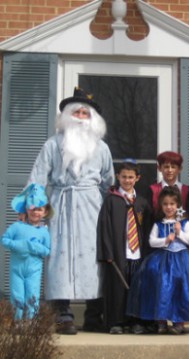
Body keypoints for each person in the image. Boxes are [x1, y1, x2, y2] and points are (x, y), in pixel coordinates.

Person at [27, 87, 115, 334]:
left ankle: (94, 315)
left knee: (94, 259)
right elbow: (37, 179)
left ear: (93, 119)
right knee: (59, 258)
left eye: (85, 113)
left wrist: (112, 214)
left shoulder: (102, 148)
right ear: (66, 115)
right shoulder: (53, 145)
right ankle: (62, 315)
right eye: (75, 112)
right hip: (60, 204)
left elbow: (109, 181)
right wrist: (33, 209)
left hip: (91, 208)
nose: (80, 117)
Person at [127, 186, 189, 334]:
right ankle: (162, 321)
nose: (169, 207)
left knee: (180, 289)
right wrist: (165, 240)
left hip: (182, 260)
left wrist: (179, 233)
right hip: (163, 259)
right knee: (163, 288)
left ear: (178, 206)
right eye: (165, 204)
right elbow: (152, 241)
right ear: (161, 205)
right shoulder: (158, 224)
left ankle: (178, 322)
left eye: (172, 204)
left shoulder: (184, 223)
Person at [97, 159, 153, 334]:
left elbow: (148, 228)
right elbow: (104, 228)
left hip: (137, 253)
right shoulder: (111, 201)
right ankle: (116, 322)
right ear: (117, 177)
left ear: (137, 178)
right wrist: (107, 252)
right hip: (118, 254)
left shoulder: (142, 203)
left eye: (131, 177)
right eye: (124, 177)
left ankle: (136, 321)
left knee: (137, 287)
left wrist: (148, 254)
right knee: (117, 289)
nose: (127, 180)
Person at [1, 183, 52, 320]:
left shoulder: (44, 232)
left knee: (32, 295)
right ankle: (17, 323)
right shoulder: (16, 227)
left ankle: (31, 326)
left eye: (39, 209)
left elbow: (47, 251)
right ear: (26, 209)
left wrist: (33, 247)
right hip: (17, 269)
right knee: (17, 295)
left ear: (45, 212)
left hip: (34, 270)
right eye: (32, 209)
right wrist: (20, 245)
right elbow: (4, 240)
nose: (35, 212)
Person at [148, 151, 189, 253]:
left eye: (173, 167)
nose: (170, 170)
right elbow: (148, 220)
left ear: (179, 169)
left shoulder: (186, 191)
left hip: (183, 246)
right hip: (159, 246)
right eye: (166, 167)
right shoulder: (152, 190)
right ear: (159, 168)